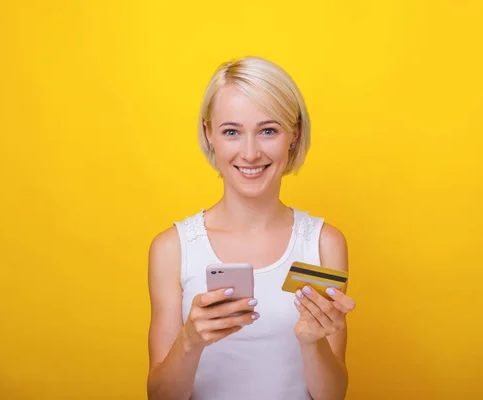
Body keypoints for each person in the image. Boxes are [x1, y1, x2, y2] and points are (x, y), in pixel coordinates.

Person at [146, 56, 356, 400]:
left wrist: (312, 343)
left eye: (268, 130)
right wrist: (190, 341)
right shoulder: (172, 249)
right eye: (232, 131)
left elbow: (332, 396)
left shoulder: (322, 245)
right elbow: (159, 396)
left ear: (294, 134)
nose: (250, 152)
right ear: (208, 134)